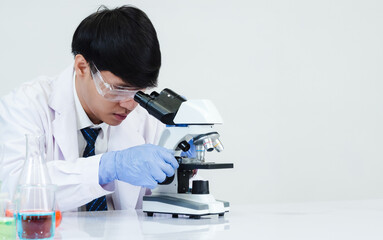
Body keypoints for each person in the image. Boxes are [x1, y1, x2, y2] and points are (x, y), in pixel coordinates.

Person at [0, 5, 179, 211]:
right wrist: (106, 168)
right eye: (119, 89)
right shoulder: (26, 106)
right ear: (82, 67)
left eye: (139, 92)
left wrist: (182, 170)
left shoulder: (147, 117)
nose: (129, 105)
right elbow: (14, 192)